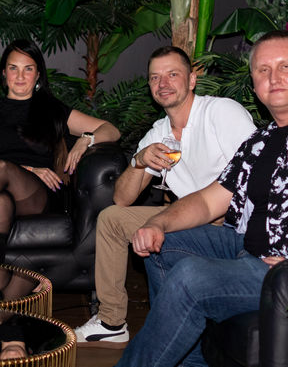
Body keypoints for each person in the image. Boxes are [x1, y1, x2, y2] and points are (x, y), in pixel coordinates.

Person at [116, 31, 288, 367]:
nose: (273, 77)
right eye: (263, 70)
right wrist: (158, 223)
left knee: (191, 277)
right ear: (254, 84)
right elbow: (208, 201)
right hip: (247, 248)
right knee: (161, 247)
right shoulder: (259, 141)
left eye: (284, 66)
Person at [73, 46, 256, 348]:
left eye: (172, 74)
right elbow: (121, 199)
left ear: (192, 80)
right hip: (188, 219)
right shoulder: (159, 133)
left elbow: (254, 174)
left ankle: (167, 333)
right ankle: (111, 321)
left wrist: (219, 211)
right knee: (112, 219)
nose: (163, 84)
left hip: (232, 226)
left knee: (160, 232)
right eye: (155, 77)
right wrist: (139, 161)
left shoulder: (221, 112)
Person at [0, 39, 120, 292]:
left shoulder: (52, 110)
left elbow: (111, 130)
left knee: (2, 168)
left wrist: (86, 140)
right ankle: (1, 285)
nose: (20, 76)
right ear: (4, 73)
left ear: (37, 75)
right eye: (13, 68)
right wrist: (27, 169)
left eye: (28, 69)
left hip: (39, 195)